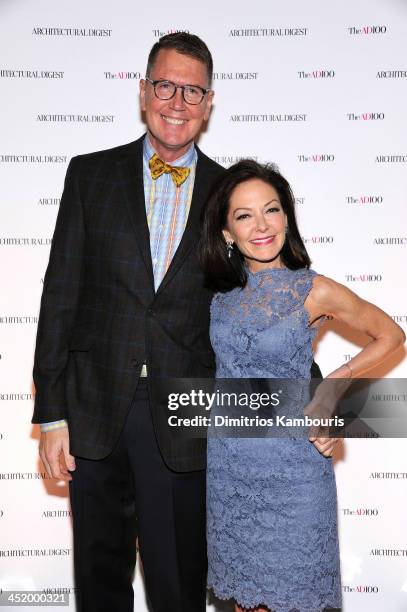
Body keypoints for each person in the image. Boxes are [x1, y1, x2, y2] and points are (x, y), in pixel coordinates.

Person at [31, 32, 222, 612]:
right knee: (99, 586)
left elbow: (270, 301)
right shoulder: (90, 176)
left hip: (185, 419)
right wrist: (51, 415)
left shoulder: (231, 193)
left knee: (178, 590)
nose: (177, 102)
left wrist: (312, 397)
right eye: (165, 85)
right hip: (92, 415)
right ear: (143, 93)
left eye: (192, 91)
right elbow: (60, 294)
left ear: (209, 103)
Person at [200, 159, 405, 612]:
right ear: (227, 233)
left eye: (271, 210)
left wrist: (334, 383)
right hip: (231, 469)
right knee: (245, 604)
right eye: (244, 215)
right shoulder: (219, 297)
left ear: (287, 217)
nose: (261, 226)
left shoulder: (313, 290)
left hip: (293, 470)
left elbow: (391, 335)